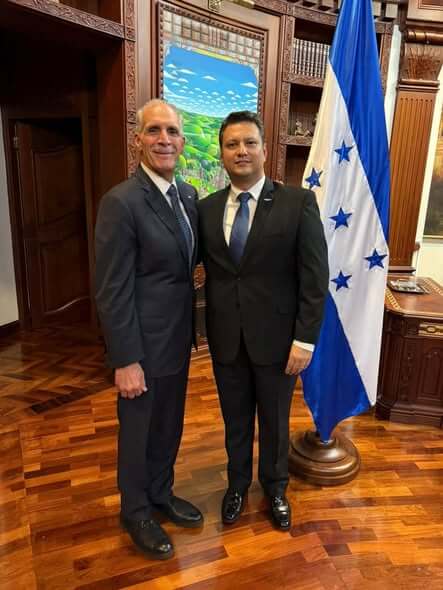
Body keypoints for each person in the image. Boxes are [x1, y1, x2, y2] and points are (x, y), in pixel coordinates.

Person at [198, 111, 328, 531]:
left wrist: (304, 340)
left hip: (279, 342)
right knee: (235, 420)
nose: (241, 151)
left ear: (264, 150)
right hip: (226, 340)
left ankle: (275, 488)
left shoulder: (298, 203)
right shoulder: (205, 209)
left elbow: (315, 278)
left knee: (274, 421)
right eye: (232, 144)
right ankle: (237, 486)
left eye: (249, 143)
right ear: (221, 154)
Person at [95, 99, 203, 560]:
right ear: (138, 138)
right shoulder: (121, 202)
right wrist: (125, 359)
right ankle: (136, 511)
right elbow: (111, 289)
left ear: (182, 140)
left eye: (172, 131)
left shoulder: (188, 196)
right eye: (154, 131)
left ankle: (160, 493)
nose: (164, 140)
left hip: (178, 341)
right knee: (138, 433)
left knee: (168, 426)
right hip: (140, 346)